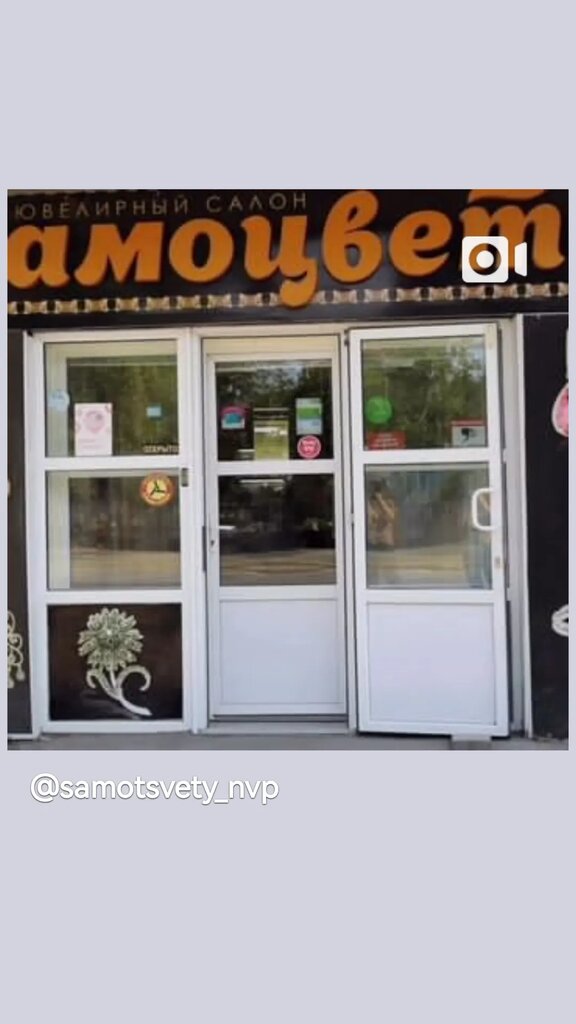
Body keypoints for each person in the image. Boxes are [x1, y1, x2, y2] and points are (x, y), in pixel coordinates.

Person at [367, 481, 398, 550]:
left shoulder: (388, 503)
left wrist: (380, 499)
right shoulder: (368, 505)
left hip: (385, 545)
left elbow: (390, 517)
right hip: (371, 544)